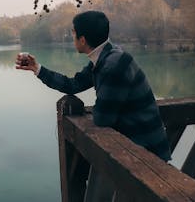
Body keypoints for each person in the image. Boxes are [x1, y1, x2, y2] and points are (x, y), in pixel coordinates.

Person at [15, 10, 171, 201]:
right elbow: (72, 85)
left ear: (82, 39)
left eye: (73, 33)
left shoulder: (113, 65)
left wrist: (97, 109)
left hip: (147, 156)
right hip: (135, 149)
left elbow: (103, 118)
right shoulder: (105, 57)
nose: (71, 36)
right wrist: (37, 69)